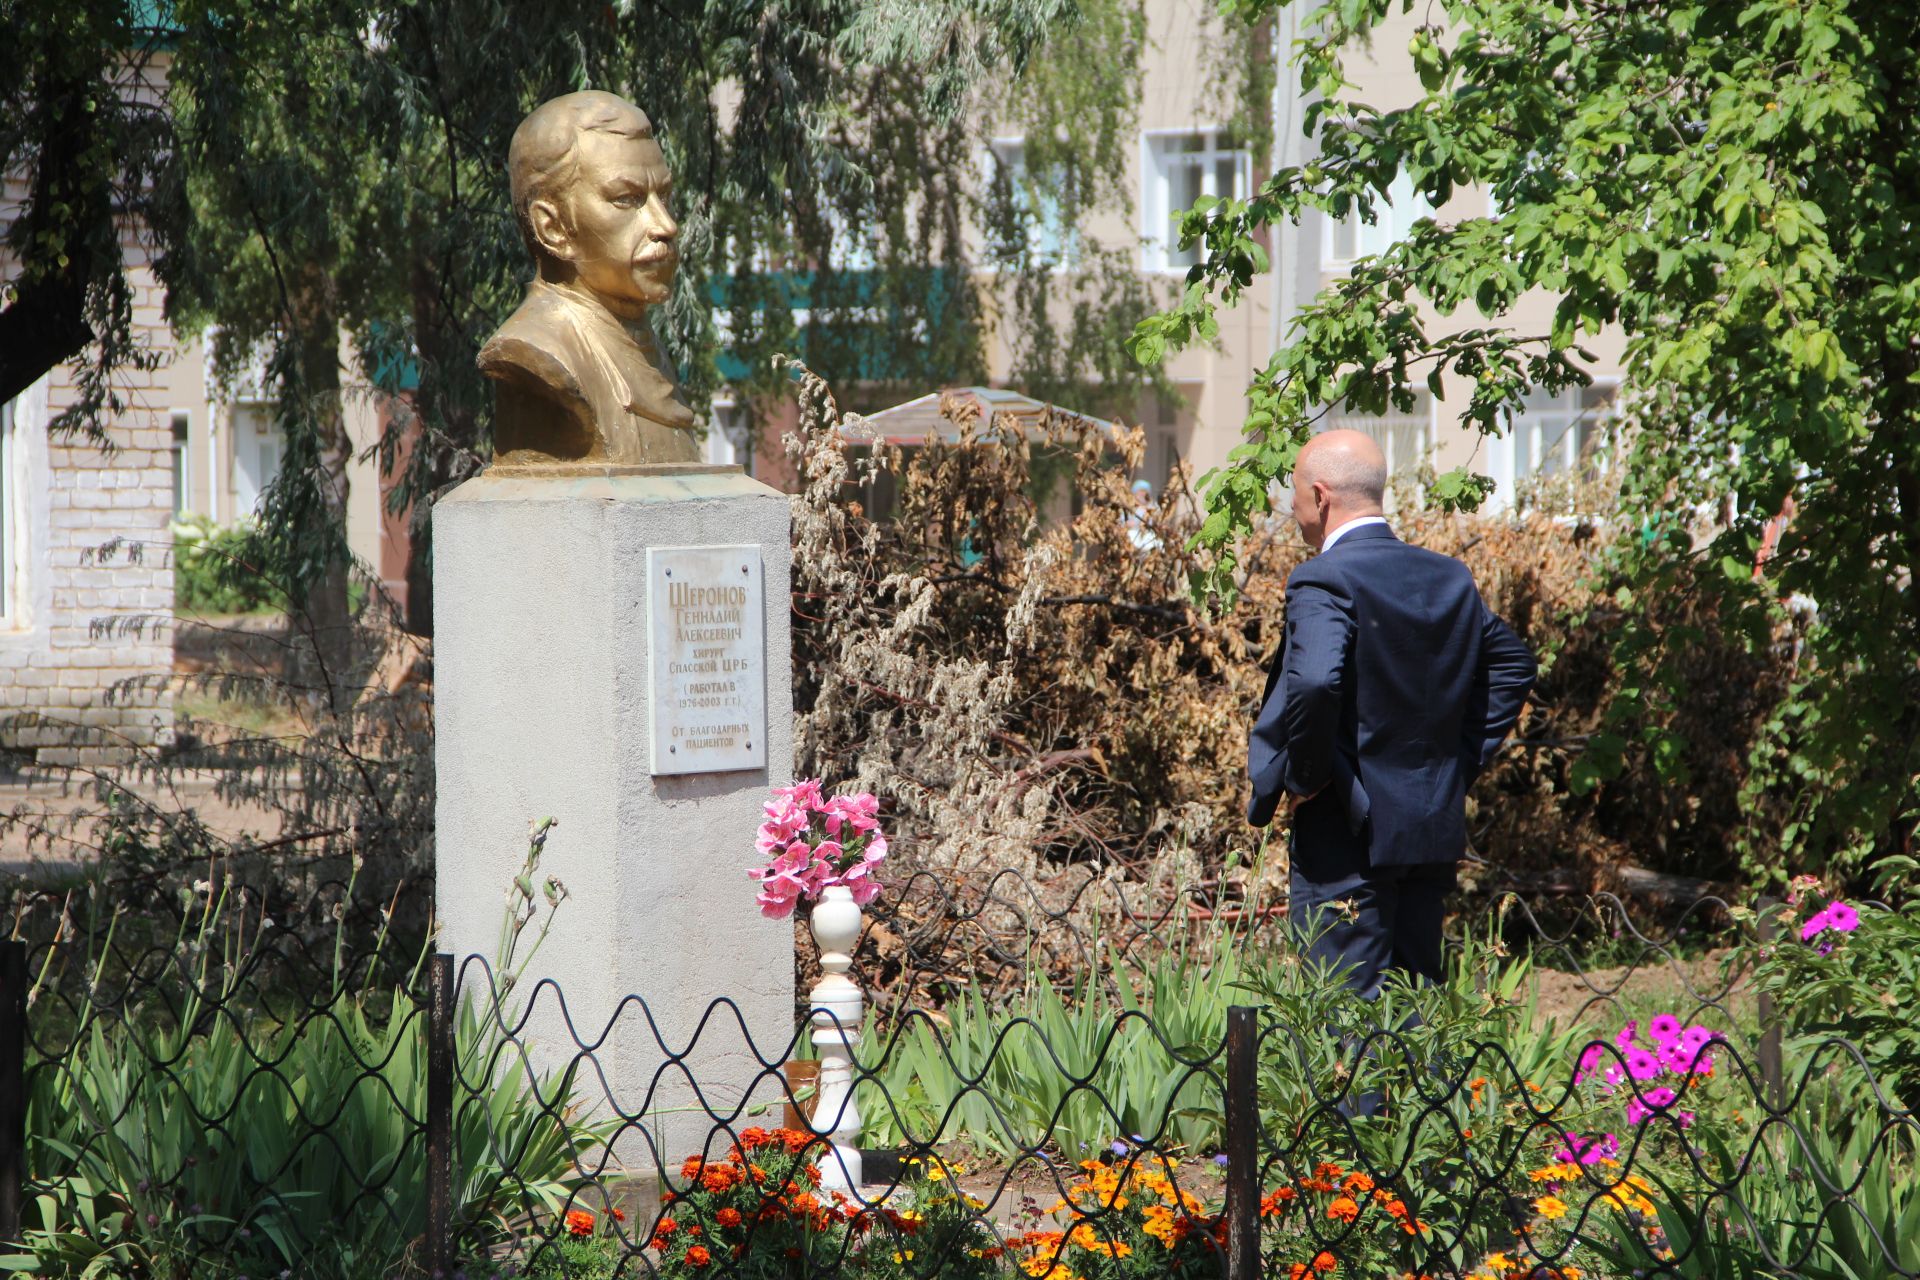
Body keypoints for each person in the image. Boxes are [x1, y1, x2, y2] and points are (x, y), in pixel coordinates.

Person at [1247, 430, 1536, 997]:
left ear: (1322, 497)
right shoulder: (1446, 576)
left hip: (1345, 833)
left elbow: (1312, 683)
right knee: (1415, 1017)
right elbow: (1513, 667)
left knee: (1345, 1025)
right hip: (1427, 828)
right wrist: (1450, 764)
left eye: (1296, 495)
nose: (1293, 510)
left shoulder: (1323, 576)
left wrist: (1306, 777)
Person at [479, 90, 700, 468]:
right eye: (627, 199)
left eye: (664, 195)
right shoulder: (536, 353)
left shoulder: (646, 347)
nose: (667, 225)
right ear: (553, 228)